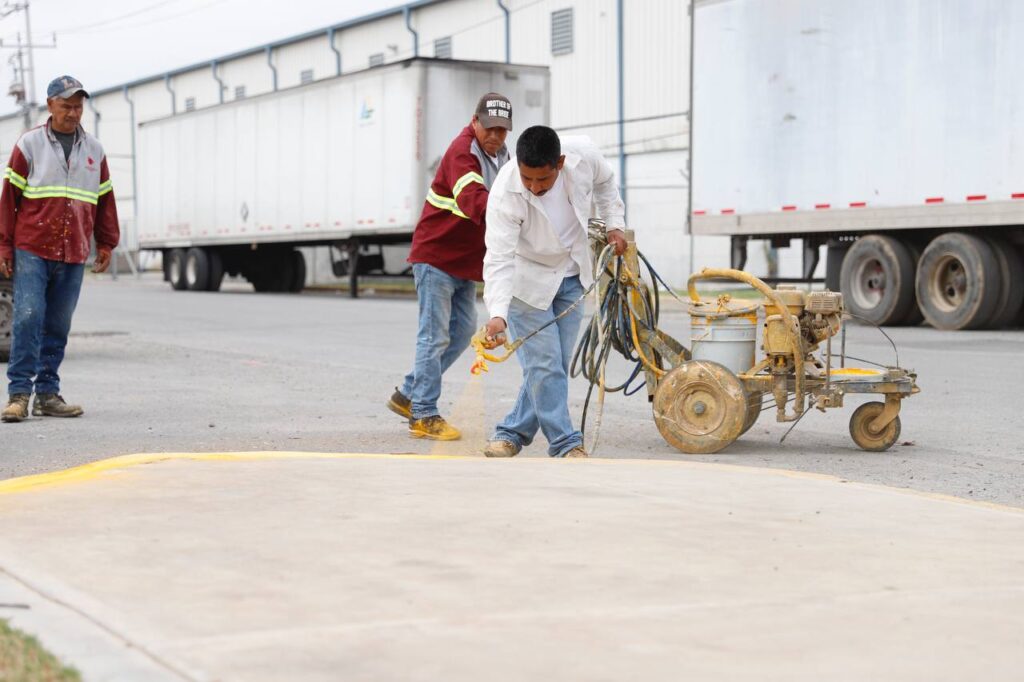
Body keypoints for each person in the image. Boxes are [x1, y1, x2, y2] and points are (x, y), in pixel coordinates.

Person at [480, 126, 626, 458]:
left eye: (542, 181)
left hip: (571, 273)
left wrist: (614, 222)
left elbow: (606, 184)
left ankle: (510, 432)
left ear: (559, 164)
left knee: (550, 366)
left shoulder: (584, 156)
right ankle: (565, 443)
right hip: (526, 279)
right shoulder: (505, 194)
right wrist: (498, 315)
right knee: (545, 364)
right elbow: (499, 258)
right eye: (527, 179)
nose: (533, 187)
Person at [386, 93, 513, 440]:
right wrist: (518, 215)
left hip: (464, 264)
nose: (495, 136)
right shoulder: (462, 152)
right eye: (489, 128)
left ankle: (408, 393)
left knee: (458, 335)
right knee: (433, 336)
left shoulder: (503, 158)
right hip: (436, 258)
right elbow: (475, 201)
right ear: (475, 122)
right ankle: (423, 413)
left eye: (502, 131)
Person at [0, 75, 119, 423]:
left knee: (58, 324)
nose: (73, 113)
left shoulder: (94, 150)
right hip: (33, 247)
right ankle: (19, 394)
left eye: (78, 106)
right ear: (50, 105)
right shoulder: (30, 145)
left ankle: (48, 394)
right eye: (66, 106)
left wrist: (107, 241)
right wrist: (4, 246)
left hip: (74, 249)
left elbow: (104, 199)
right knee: (27, 317)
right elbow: (9, 200)